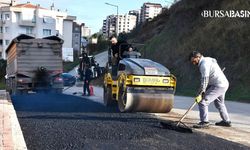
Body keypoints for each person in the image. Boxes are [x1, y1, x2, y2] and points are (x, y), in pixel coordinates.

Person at [189, 51, 231, 128]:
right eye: (192, 61)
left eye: (194, 60)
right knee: (219, 103)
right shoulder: (208, 59)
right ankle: (226, 121)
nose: (193, 62)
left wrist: (200, 93)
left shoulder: (203, 65)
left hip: (218, 85)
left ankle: (204, 122)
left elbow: (205, 80)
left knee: (202, 102)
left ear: (198, 57)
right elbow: (214, 60)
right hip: (223, 83)